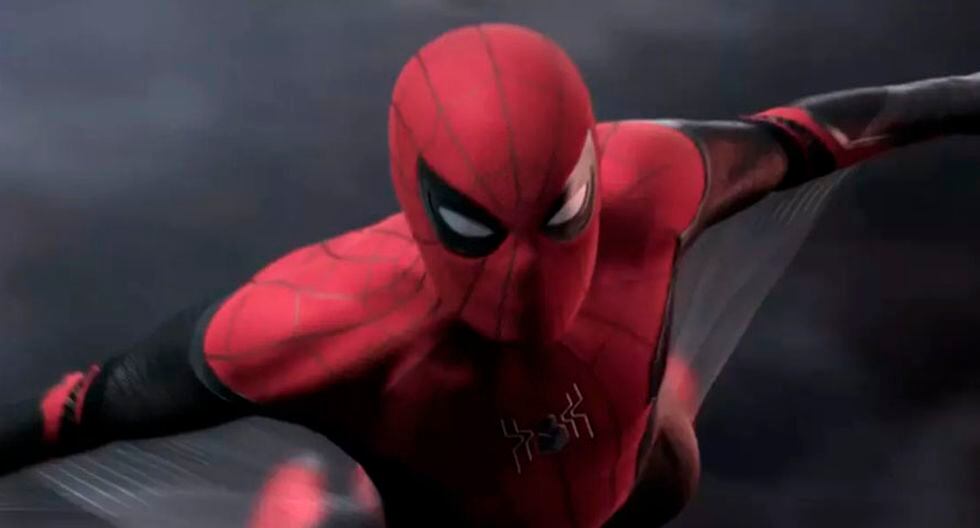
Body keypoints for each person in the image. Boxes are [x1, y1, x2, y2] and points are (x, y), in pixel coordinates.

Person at [1, 23, 977, 527]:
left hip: (637, 472)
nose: (522, 277)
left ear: (587, 178)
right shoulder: (313, 319)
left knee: (662, 475)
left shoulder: (648, 178)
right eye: (477, 228)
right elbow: (87, 406)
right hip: (470, 500)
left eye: (556, 215)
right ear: (420, 199)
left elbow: (819, 131)